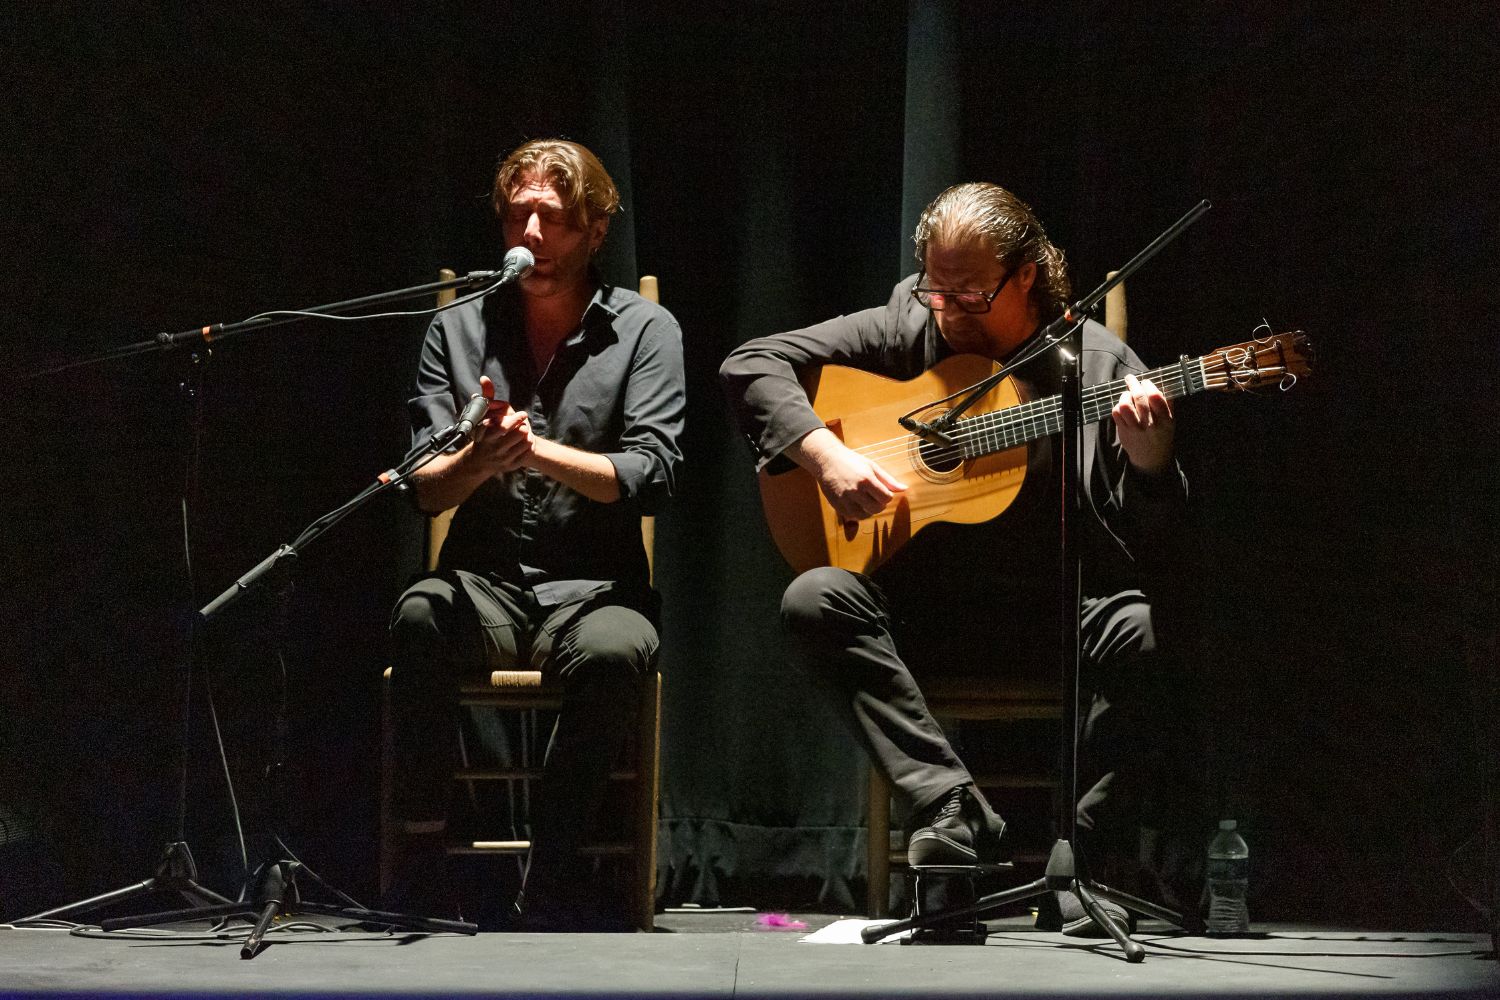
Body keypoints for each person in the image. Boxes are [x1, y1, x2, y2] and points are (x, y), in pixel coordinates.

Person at [719, 182, 1192, 935]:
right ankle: (949, 806)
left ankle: (1087, 858)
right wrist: (827, 457)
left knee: (1143, 625)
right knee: (814, 596)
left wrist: (1149, 457)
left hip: (1051, 617)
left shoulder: (1095, 364)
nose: (946, 312)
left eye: (970, 295)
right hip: (922, 616)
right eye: (937, 290)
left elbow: (1154, 540)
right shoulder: (913, 322)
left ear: (1026, 275)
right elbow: (751, 364)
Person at [387, 139, 685, 930]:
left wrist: (534, 451)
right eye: (517, 214)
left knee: (619, 650)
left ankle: (553, 874)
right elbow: (423, 490)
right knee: (418, 615)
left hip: (595, 590)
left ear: (593, 231)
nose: (530, 232)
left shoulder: (646, 329)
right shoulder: (455, 328)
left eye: (551, 217)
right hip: (484, 585)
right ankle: (423, 864)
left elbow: (655, 474)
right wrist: (479, 462)